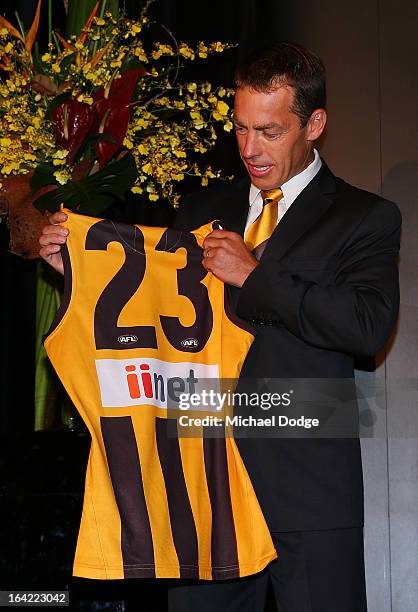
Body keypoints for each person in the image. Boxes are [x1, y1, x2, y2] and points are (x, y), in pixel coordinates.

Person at [39, 42, 401, 612]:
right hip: (202, 484)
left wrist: (254, 275)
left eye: (270, 132)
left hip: (306, 484)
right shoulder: (199, 210)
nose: (250, 149)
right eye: (240, 129)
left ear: (315, 124)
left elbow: (366, 326)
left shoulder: (365, 217)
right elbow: (152, 310)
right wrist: (77, 272)